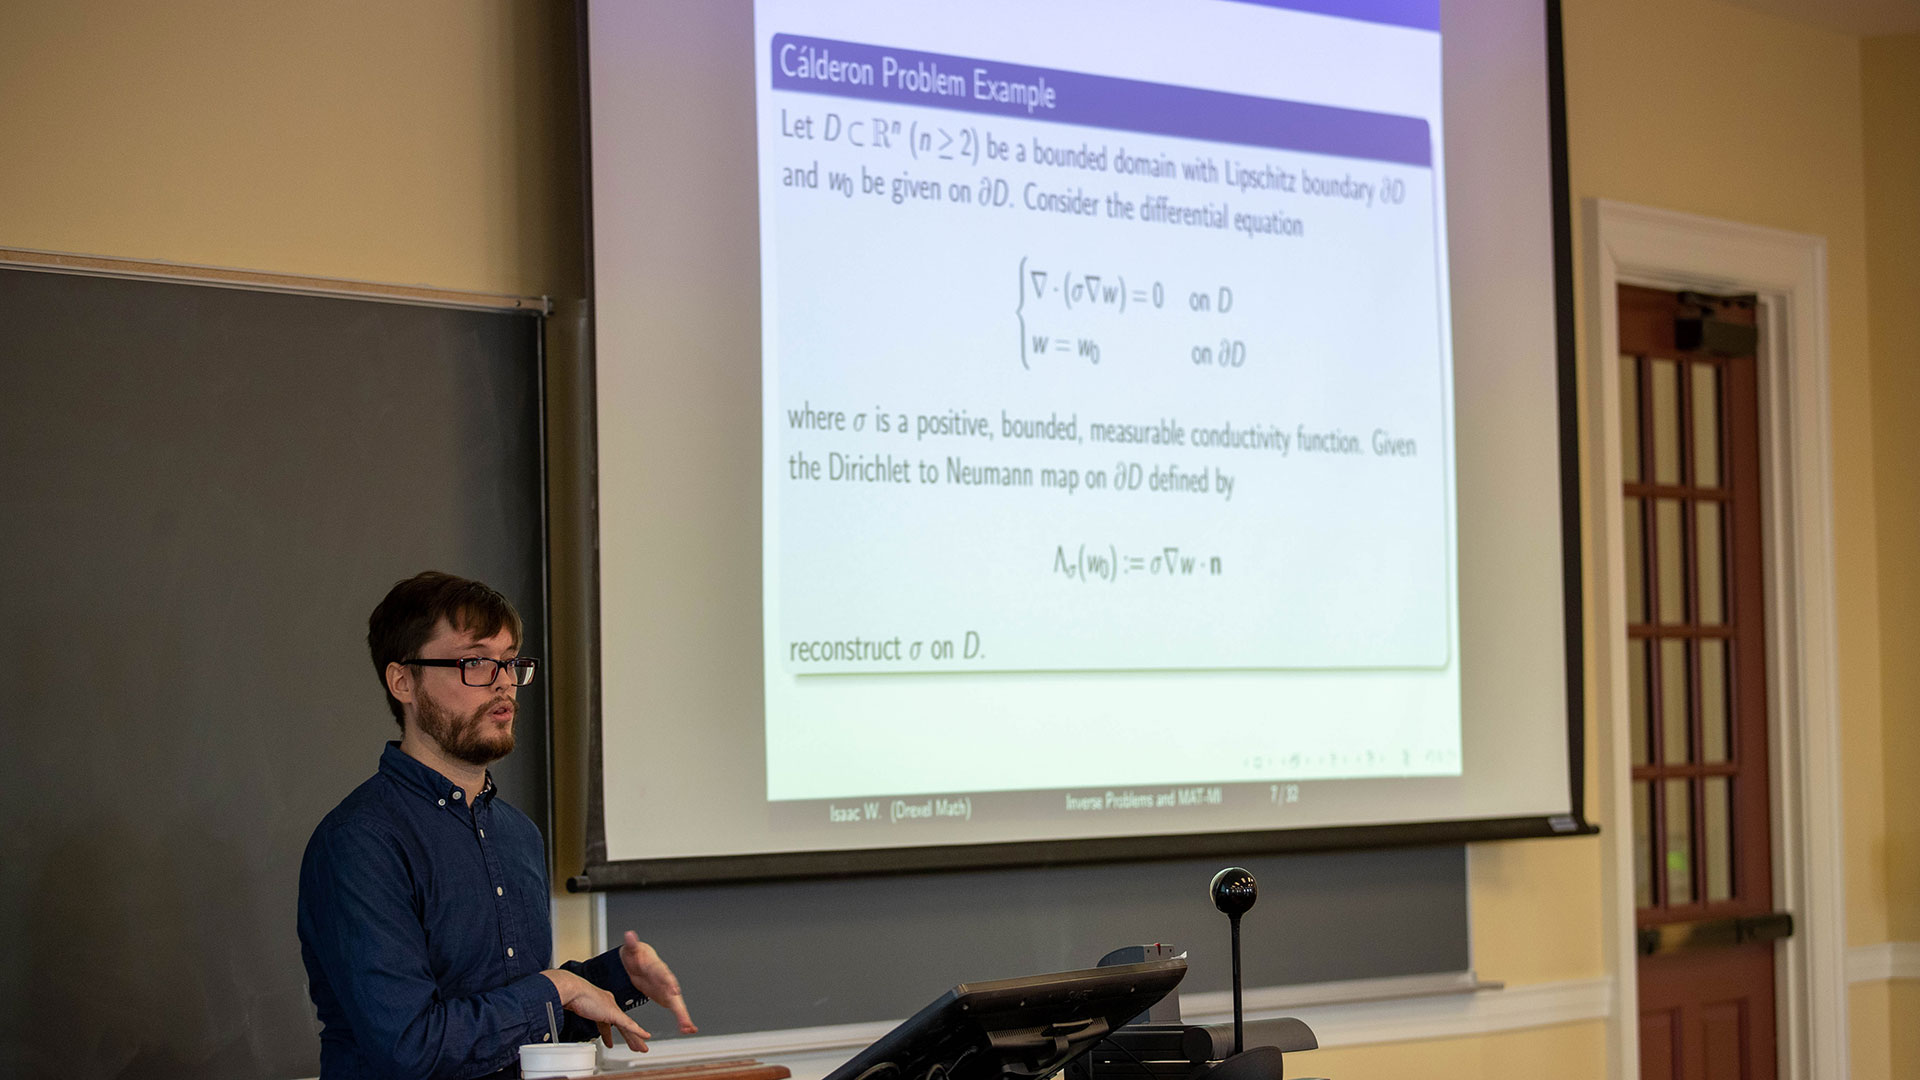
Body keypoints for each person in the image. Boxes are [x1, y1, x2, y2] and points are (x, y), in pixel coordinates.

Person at [298, 571, 697, 1079]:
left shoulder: (518, 835)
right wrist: (557, 988)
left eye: (510, 662)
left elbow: (515, 1031)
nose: (505, 681)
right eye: (477, 661)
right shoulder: (361, 842)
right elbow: (410, 1048)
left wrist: (614, 978)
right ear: (403, 682)